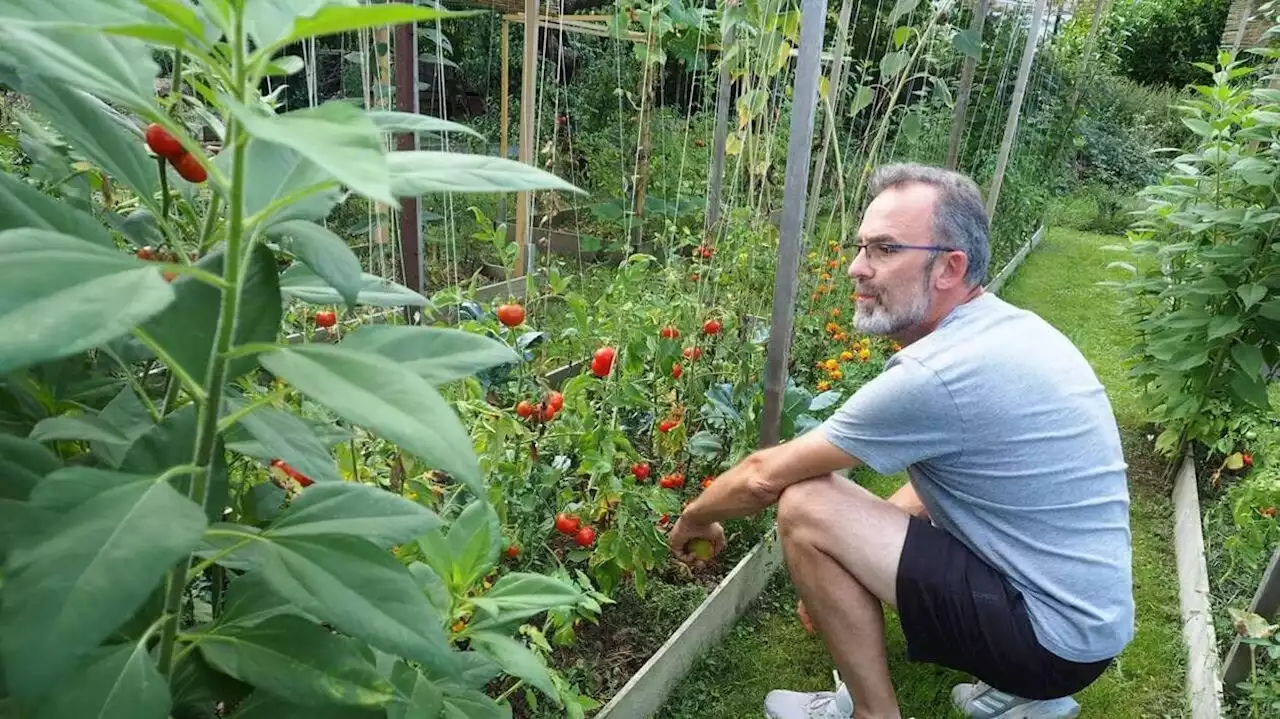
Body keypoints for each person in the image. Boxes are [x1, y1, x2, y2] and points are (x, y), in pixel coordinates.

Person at [666, 163, 1134, 719]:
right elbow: (950, 490)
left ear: (949, 268)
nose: (855, 268)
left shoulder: (938, 374)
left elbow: (766, 474)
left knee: (807, 503)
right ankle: (1022, 698)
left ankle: (874, 714)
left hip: (1048, 641)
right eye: (862, 246)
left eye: (885, 249)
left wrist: (696, 517)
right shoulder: (1009, 328)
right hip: (1086, 627)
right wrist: (855, 557)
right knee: (837, 519)